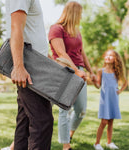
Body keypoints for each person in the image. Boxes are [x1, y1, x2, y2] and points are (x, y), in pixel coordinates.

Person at [1, 0, 54, 150]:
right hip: (30, 68)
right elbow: (16, 27)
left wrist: (52, 62)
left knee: (24, 123)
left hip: (34, 65)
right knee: (42, 121)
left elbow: (32, 34)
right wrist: (18, 66)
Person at [48, 2, 96, 150]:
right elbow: (61, 53)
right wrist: (76, 71)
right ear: (74, 13)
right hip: (66, 70)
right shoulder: (56, 29)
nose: (81, 17)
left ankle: (70, 133)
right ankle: (66, 145)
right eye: (80, 13)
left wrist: (90, 71)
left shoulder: (76, 31)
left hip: (79, 71)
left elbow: (82, 53)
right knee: (65, 109)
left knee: (81, 110)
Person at [93, 50, 127, 150]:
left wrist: (120, 90)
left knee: (111, 121)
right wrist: (94, 82)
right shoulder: (101, 71)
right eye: (107, 55)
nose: (108, 57)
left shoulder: (117, 71)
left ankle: (109, 142)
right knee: (104, 122)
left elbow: (125, 82)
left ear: (115, 59)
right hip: (105, 99)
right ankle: (97, 143)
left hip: (114, 99)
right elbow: (98, 85)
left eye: (111, 56)